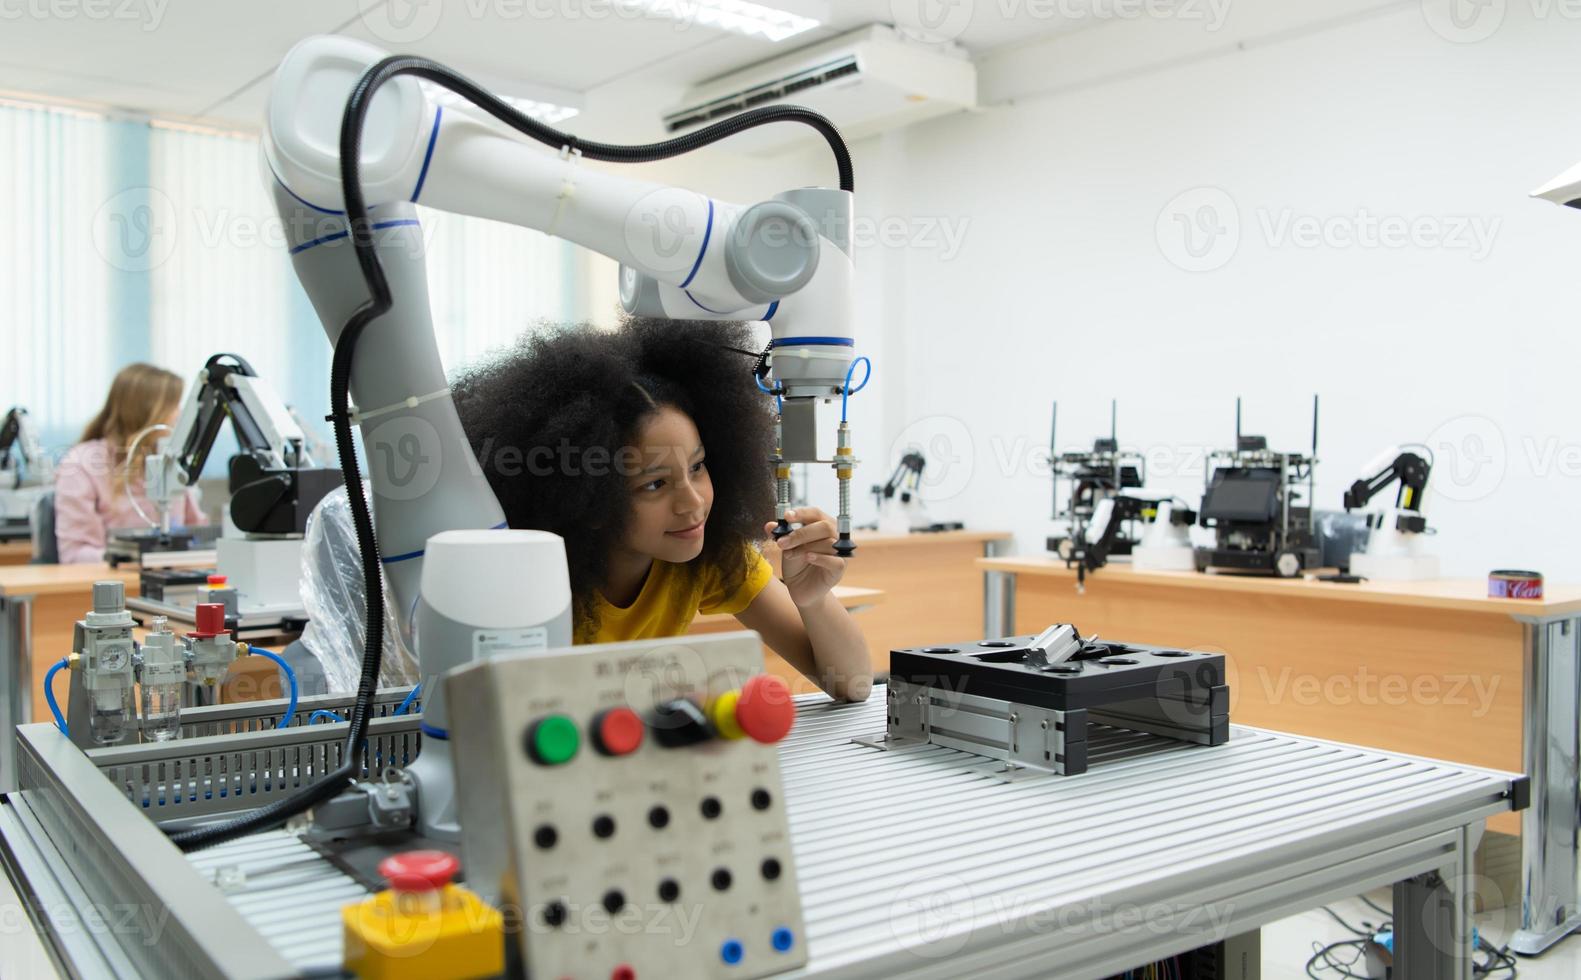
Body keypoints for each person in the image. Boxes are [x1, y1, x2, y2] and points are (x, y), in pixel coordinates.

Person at [452, 318, 872, 702]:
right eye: (654, 484)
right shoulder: (537, 592)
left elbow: (851, 684)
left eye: (697, 466)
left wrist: (813, 600)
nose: (692, 502)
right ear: (590, 499)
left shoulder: (708, 559)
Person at [54, 363, 204, 564]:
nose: (180, 415)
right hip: (107, 586)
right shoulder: (83, 463)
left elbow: (197, 533)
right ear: (150, 411)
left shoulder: (170, 461)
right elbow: (75, 554)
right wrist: (135, 558)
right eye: (174, 406)